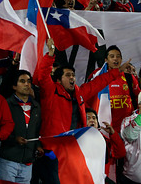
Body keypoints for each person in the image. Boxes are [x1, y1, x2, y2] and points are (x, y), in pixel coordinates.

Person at [38, 38, 127, 184]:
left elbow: (97, 83)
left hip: (73, 148)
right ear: (58, 80)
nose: (72, 78)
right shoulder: (51, 91)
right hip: (52, 149)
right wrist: (50, 54)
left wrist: (116, 73)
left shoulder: (79, 93)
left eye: (73, 75)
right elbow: (43, 75)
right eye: (68, 75)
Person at [0, 69, 42, 184]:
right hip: (8, 160)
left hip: (27, 163)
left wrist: (38, 146)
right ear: (14, 86)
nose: (27, 84)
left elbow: (37, 131)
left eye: (28, 81)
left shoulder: (36, 106)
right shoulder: (6, 104)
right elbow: (0, 130)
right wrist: (14, 139)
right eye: (22, 81)